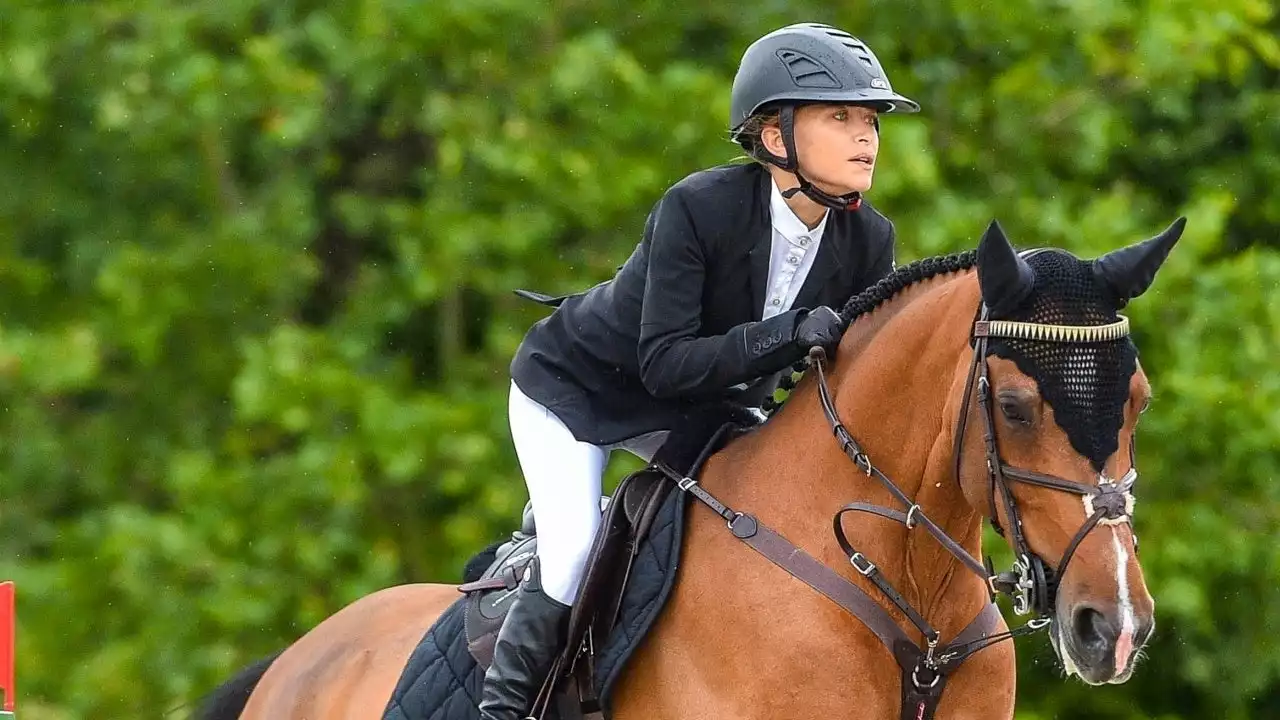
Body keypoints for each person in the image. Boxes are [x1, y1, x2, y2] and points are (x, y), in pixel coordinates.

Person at [479, 21, 920, 720]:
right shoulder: (700, 207)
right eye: (841, 116)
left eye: (870, 119)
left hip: (700, 407)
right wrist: (785, 336)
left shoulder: (870, 238)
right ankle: (502, 710)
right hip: (576, 392)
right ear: (776, 138)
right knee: (572, 553)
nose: (866, 135)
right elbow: (665, 363)